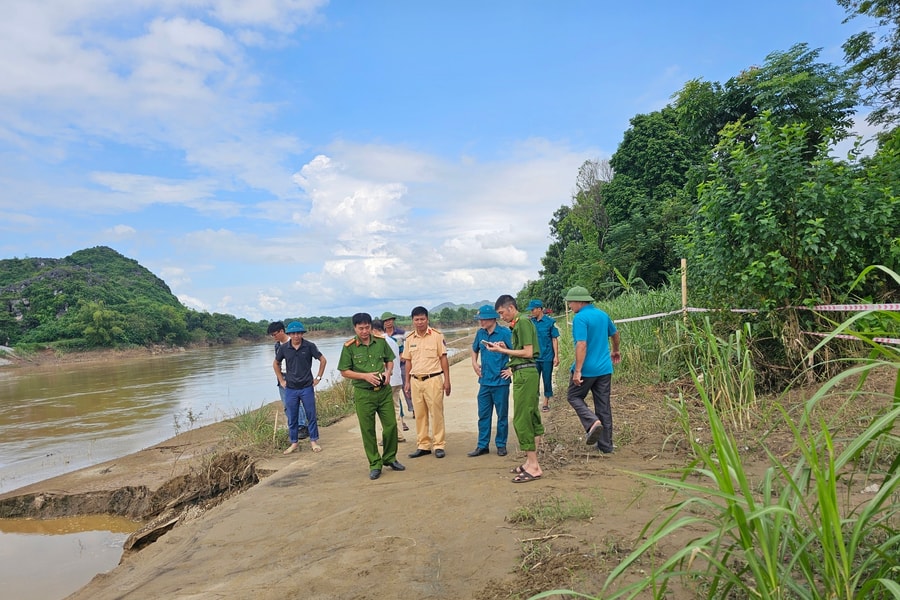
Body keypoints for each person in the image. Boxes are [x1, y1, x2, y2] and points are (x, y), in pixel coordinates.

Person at [338, 312, 406, 480]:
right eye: (360, 328)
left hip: (383, 392)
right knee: (368, 430)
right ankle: (375, 463)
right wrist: (365, 376)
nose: (364, 331)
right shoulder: (349, 347)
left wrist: (389, 372)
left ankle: (390, 458)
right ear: (354, 328)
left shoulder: (381, 342)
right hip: (364, 394)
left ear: (371, 326)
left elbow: (389, 359)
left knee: (390, 426)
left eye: (367, 327)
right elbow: (344, 371)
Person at [484, 295, 544, 483]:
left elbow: (527, 352)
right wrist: (505, 346)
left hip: (525, 373)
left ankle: (534, 466)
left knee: (521, 418)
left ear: (510, 308)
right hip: (524, 373)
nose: (501, 316)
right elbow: (522, 350)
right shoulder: (518, 324)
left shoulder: (523, 323)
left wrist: (502, 351)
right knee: (530, 415)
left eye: (502, 312)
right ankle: (530, 461)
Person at [563, 286, 621, 454]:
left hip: (587, 369)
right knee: (604, 405)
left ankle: (592, 422)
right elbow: (615, 334)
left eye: (571, 303)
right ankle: (606, 446)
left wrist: (578, 370)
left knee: (574, 396)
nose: (570, 307)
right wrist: (616, 350)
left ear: (580, 301)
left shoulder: (580, 318)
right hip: (604, 369)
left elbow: (581, 344)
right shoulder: (602, 315)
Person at [402, 306, 451, 459]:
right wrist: (407, 382)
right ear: (413, 321)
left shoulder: (436, 336)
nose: (420, 322)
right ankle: (423, 445)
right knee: (420, 414)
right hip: (416, 380)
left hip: (433, 379)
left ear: (427, 319)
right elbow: (408, 361)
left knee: (436, 413)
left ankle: (438, 445)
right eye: (416, 319)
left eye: (422, 319)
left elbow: (443, 358)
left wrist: (447, 380)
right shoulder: (410, 339)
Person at [273, 321, 326, 454]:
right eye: (293, 333)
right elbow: (276, 363)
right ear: (289, 334)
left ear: (302, 333)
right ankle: (294, 443)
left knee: (311, 415)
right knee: (292, 416)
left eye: (299, 333)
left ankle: (313, 441)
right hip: (290, 388)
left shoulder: (309, 346)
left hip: (307, 386)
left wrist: (318, 378)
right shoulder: (284, 348)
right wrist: (281, 380)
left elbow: (323, 360)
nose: (296, 336)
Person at [469, 305, 512, 457]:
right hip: (485, 381)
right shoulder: (480, 334)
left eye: (482, 319)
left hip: (500, 382)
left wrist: (511, 369)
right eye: (479, 320)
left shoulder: (505, 333)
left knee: (502, 415)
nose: (480, 322)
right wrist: (474, 363)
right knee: (483, 415)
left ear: (492, 319)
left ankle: (501, 444)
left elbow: (517, 351)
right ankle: (482, 445)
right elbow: (474, 349)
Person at [266, 321, 308, 440]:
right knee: (287, 404)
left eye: (274, 334)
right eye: (272, 335)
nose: (273, 337)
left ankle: (301, 426)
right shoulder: (277, 346)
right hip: (282, 377)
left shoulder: (294, 342)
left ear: (282, 331)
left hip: (295, 377)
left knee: (295, 403)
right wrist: (280, 379)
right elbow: (277, 363)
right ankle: (295, 426)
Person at [372, 318, 406, 443]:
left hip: (388, 381)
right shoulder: (394, 340)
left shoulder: (379, 342)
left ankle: (388, 437)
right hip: (397, 379)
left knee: (384, 410)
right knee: (395, 408)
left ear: (374, 330)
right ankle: (398, 435)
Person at [527, 299, 560, 412]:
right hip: (534, 357)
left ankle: (546, 401)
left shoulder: (549, 322)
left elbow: (554, 339)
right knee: (533, 380)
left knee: (547, 379)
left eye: (533, 309)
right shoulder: (531, 322)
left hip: (547, 356)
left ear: (540, 309)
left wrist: (556, 356)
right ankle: (534, 402)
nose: (531, 312)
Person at [381, 311, 414, 416]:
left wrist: (404, 355)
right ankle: (400, 414)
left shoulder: (401, 333)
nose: (388, 322)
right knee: (394, 390)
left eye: (390, 320)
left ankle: (413, 409)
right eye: (386, 321)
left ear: (393, 321)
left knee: (407, 387)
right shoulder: (382, 336)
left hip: (402, 365)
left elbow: (409, 344)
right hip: (390, 367)